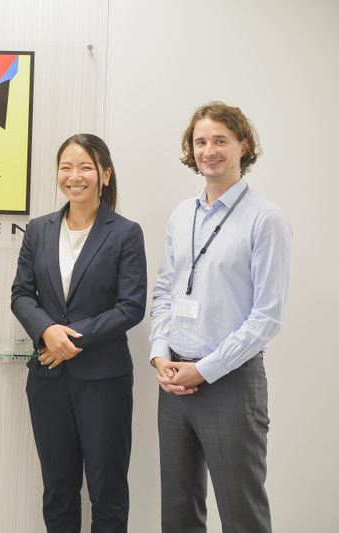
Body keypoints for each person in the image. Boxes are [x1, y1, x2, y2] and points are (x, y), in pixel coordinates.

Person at [149, 101, 291, 533]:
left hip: (231, 384)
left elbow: (267, 316)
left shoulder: (265, 220)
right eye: (200, 142)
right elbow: (165, 291)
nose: (209, 150)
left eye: (220, 141)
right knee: (178, 514)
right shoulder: (181, 215)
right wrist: (160, 355)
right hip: (174, 382)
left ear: (243, 146)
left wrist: (204, 370)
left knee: (241, 514)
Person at [11, 134, 147, 533]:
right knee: (58, 490)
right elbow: (21, 294)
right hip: (48, 381)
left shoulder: (125, 233)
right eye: (66, 167)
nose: (75, 176)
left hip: (104, 381)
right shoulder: (38, 230)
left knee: (107, 491)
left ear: (105, 174)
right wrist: (46, 330)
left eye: (86, 167)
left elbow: (131, 306)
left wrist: (67, 340)